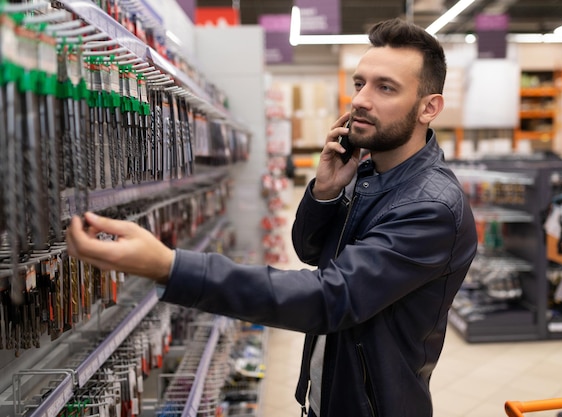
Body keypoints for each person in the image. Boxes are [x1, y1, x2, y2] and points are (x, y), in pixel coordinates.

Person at [66, 17, 478, 417]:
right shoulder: (367, 173)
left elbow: (330, 297)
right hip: (334, 391)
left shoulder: (431, 207)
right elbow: (311, 249)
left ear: (429, 108)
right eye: (359, 83)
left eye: (385, 87)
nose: (360, 100)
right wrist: (325, 191)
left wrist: (170, 267)